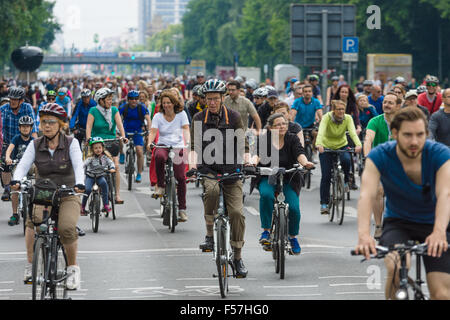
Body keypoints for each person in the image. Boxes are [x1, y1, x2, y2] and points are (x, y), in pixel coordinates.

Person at [354, 107, 450, 300]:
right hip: (399, 222)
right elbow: (367, 195)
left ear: (427, 134)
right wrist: (364, 236)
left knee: (441, 293)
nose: (414, 141)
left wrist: (439, 231)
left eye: (420, 135)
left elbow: (445, 194)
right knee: (397, 268)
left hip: (437, 223)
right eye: (407, 135)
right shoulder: (380, 155)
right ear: (395, 133)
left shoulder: (440, 154)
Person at [11, 103, 85, 290]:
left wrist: (80, 184)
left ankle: (73, 269)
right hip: (44, 192)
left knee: (67, 228)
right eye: (43, 122)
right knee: (32, 221)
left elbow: (78, 166)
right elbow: (22, 165)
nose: (47, 126)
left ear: (61, 125)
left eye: (51, 122)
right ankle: (30, 265)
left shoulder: (71, 143)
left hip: (68, 193)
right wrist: (16, 180)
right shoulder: (35, 144)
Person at [188, 79, 251, 278]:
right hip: (209, 169)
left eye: (215, 98)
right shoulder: (198, 118)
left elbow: (242, 142)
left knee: (237, 214)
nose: (212, 102)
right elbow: (194, 146)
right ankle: (209, 235)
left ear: (223, 98)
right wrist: (192, 165)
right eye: (209, 99)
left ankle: (238, 257)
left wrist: (247, 160)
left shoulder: (233, 116)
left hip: (231, 170)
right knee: (212, 191)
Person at [252, 113, 314, 254]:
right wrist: (252, 163)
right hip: (268, 176)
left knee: (294, 208)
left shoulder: (292, 138)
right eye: (278, 124)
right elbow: (257, 154)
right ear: (270, 127)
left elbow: (300, 153)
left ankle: (293, 238)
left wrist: (306, 163)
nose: (281, 126)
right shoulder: (264, 139)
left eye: (284, 124)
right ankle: (266, 231)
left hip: (289, 177)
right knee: (267, 195)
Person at [364, 92, 403, 239]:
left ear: (398, 106)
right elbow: (368, 139)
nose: (386, 105)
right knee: (378, 191)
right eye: (385, 102)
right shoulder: (375, 121)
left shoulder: (403, 121)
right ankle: (379, 226)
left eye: (390, 103)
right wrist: (367, 155)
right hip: (379, 162)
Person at [147, 90, 190, 222]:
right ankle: (161, 185)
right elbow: (153, 131)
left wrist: (187, 142)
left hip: (178, 146)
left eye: (168, 102)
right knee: (158, 156)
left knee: (181, 177)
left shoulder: (181, 114)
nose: (166, 105)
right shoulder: (158, 116)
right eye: (164, 103)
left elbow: (186, 129)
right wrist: (150, 142)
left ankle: (182, 209)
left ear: (174, 103)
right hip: (163, 145)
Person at [315, 100, 362, 214]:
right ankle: (324, 203)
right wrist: (319, 144)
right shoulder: (327, 117)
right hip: (326, 147)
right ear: (333, 110)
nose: (341, 111)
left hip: (341, 145)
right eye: (338, 109)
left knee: (346, 160)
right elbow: (321, 132)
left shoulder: (348, 118)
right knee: (326, 176)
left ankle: (346, 181)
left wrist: (358, 144)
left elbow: (352, 132)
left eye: (343, 109)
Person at [85, 88, 128, 204]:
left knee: (116, 166)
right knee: (95, 167)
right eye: (108, 99)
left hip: (111, 141)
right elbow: (88, 127)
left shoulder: (114, 110)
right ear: (100, 100)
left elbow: (120, 125)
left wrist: (123, 136)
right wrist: (88, 138)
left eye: (111, 99)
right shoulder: (93, 111)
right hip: (96, 143)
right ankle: (97, 189)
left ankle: (117, 195)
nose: (110, 101)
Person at [1, 87, 38, 202]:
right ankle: (7, 189)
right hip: (9, 142)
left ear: (21, 101)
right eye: (11, 98)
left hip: (25, 141)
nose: (12, 101)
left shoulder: (27, 108)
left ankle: (37, 188)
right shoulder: (3, 109)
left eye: (15, 99)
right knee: (4, 163)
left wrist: (37, 146)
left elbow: (34, 129)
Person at [4, 116, 35, 226]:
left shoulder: (33, 141)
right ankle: (15, 214)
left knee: (39, 179)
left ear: (31, 128)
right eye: (23, 127)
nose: (25, 129)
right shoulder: (16, 138)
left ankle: (37, 208)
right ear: (19, 128)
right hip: (18, 165)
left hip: (31, 166)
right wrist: (8, 157)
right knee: (15, 187)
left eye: (27, 127)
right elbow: (10, 149)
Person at [119, 90, 151, 183]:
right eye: (132, 99)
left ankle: (139, 173)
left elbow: (148, 120)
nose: (134, 101)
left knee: (139, 151)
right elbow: (117, 118)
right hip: (126, 131)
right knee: (119, 140)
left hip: (138, 132)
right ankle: (121, 153)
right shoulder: (123, 107)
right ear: (128, 100)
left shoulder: (142, 107)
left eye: (136, 99)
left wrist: (149, 131)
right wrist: (118, 131)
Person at [81, 137, 115, 216]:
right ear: (92, 149)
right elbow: (84, 164)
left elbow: (111, 163)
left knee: (104, 184)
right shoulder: (90, 158)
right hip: (90, 177)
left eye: (100, 147)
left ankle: (106, 205)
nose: (98, 149)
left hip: (100, 176)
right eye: (95, 148)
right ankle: (82, 207)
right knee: (87, 190)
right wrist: (80, 168)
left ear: (103, 148)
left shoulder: (105, 158)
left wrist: (112, 168)